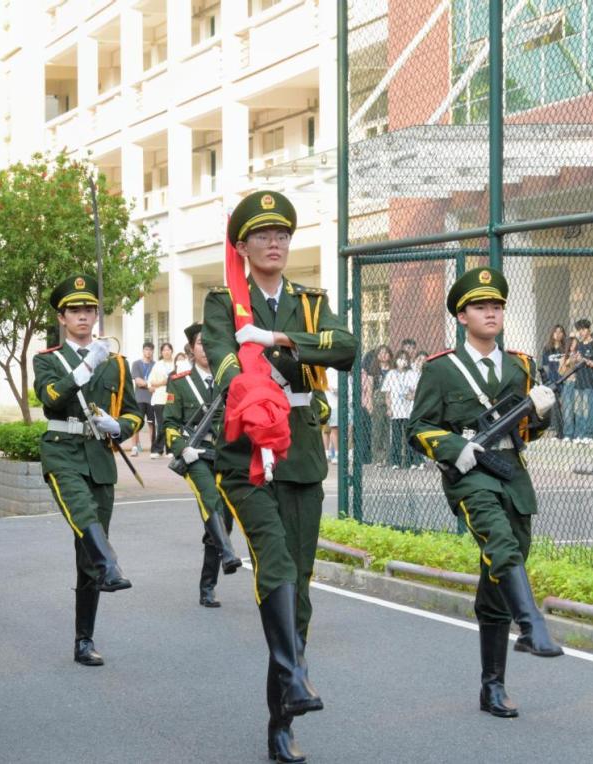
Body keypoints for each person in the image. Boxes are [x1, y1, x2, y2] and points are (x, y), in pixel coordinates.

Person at [203, 190, 356, 764]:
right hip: (246, 454)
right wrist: (252, 379)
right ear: (242, 247)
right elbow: (224, 363)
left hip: (300, 454)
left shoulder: (309, 303)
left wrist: (277, 341)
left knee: (300, 591)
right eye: (262, 236)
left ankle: (282, 712)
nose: (274, 243)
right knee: (276, 562)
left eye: (282, 235)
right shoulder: (225, 302)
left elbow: (346, 347)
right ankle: (293, 681)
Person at [408, 266, 563, 721]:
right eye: (480, 307)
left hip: (511, 473)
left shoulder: (521, 366)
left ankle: (492, 684)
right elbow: (418, 427)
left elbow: (528, 432)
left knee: (503, 566)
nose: (491, 313)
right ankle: (531, 624)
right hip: (469, 474)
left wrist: (542, 413)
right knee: (498, 540)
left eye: (496, 306)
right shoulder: (441, 369)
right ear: (462, 316)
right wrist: (455, 448)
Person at [33, 275, 142, 668]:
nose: (83, 316)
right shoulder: (47, 360)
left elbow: (133, 412)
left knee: (87, 553)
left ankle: (84, 638)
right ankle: (111, 563)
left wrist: (120, 426)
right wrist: (84, 367)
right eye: (74, 310)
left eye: (89, 310)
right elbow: (50, 399)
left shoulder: (117, 363)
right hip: (62, 451)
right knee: (81, 512)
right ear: (61, 318)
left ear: (96, 315)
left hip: (99, 457)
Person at [163, 322, 242, 607]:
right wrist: (182, 449)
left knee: (224, 520)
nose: (206, 348)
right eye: (200, 343)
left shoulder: (231, 378)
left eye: (211, 342)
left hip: (225, 455)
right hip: (195, 455)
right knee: (210, 497)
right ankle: (229, 554)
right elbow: (169, 422)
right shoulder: (180, 381)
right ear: (191, 349)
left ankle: (207, 585)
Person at [382, 350, 418, 469]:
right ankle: (395, 462)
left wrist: (411, 396)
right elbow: (387, 394)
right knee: (396, 436)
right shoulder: (391, 374)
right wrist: (389, 408)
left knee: (409, 436)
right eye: (400, 358)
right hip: (396, 410)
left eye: (405, 358)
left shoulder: (412, 374)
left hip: (409, 410)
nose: (403, 361)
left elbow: (416, 391)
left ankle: (410, 461)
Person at [572, 319, 593, 443]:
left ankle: (590, 435)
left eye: (583, 329)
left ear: (589, 330)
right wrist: (575, 359)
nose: (581, 332)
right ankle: (580, 434)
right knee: (579, 409)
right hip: (579, 381)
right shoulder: (579, 345)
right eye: (579, 330)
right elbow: (575, 363)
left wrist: (584, 359)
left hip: (591, 381)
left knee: (590, 409)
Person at [148, 342, 175, 458]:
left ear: (171, 351)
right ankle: (157, 449)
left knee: (171, 424)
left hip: (172, 397)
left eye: (168, 349)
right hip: (159, 397)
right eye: (164, 350)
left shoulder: (175, 364)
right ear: (161, 352)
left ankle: (170, 450)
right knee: (161, 424)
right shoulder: (157, 365)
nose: (166, 352)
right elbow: (151, 382)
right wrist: (163, 382)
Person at [540, 325, 567, 439]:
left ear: (563, 334)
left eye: (561, 332)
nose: (558, 334)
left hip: (565, 380)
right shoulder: (547, 349)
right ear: (552, 333)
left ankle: (568, 431)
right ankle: (559, 432)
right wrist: (547, 383)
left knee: (566, 406)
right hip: (552, 382)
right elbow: (545, 367)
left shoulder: (566, 348)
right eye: (556, 331)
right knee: (555, 408)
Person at [368, 344, 393, 466]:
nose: (383, 355)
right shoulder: (374, 370)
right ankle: (377, 458)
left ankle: (388, 457)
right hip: (378, 400)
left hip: (392, 400)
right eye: (381, 353)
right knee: (377, 430)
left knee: (389, 430)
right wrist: (369, 403)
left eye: (386, 352)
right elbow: (370, 388)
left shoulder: (393, 370)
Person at [129, 342, 155, 456]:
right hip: (139, 398)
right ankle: (134, 447)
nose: (148, 352)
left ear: (153, 351)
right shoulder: (136, 364)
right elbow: (138, 382)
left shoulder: (155, 365)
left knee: (151, 424)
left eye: (150, 350)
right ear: (143, 351)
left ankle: (153, 447)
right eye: (146, 349)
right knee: (137, 423)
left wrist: (151, 384)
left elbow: (157, 381)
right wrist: (149, 385)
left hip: (152, 399)